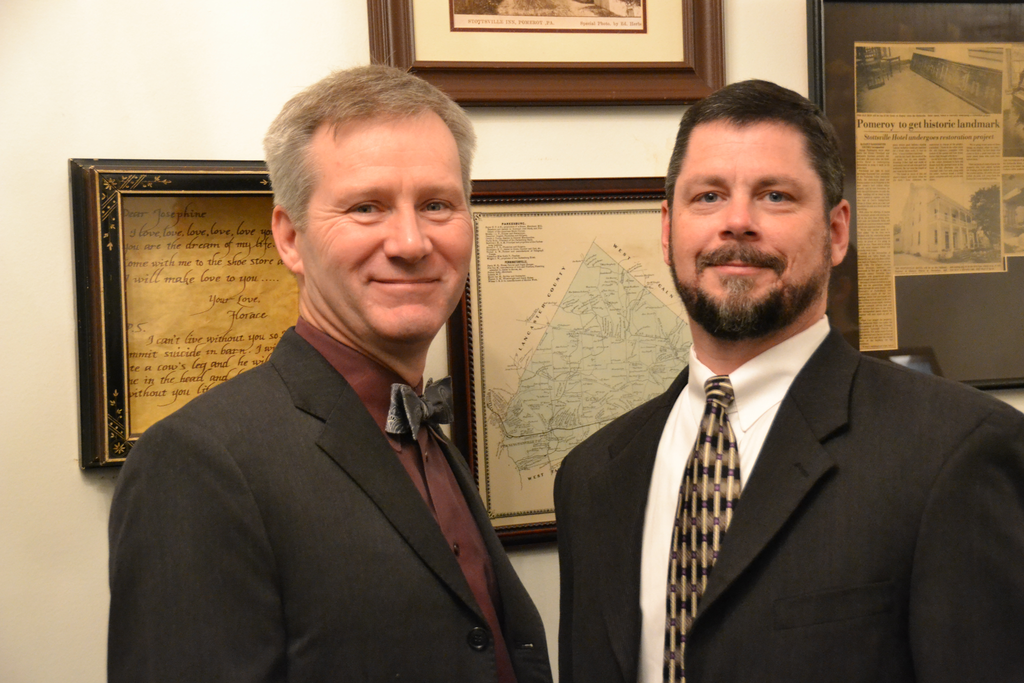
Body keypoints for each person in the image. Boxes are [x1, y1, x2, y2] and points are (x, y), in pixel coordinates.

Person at [555, 79, 1024, 683]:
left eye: (775, 196)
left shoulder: (958, 452)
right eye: (708, 197)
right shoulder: (592, 478)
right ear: (668, 229)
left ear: (835, 232)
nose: (737, 222)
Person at [108, 65, 552, 683]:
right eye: (366, 207)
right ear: (290, 238)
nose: (411, 241)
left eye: (437, 204)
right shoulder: (199, 462)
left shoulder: (429, 438)